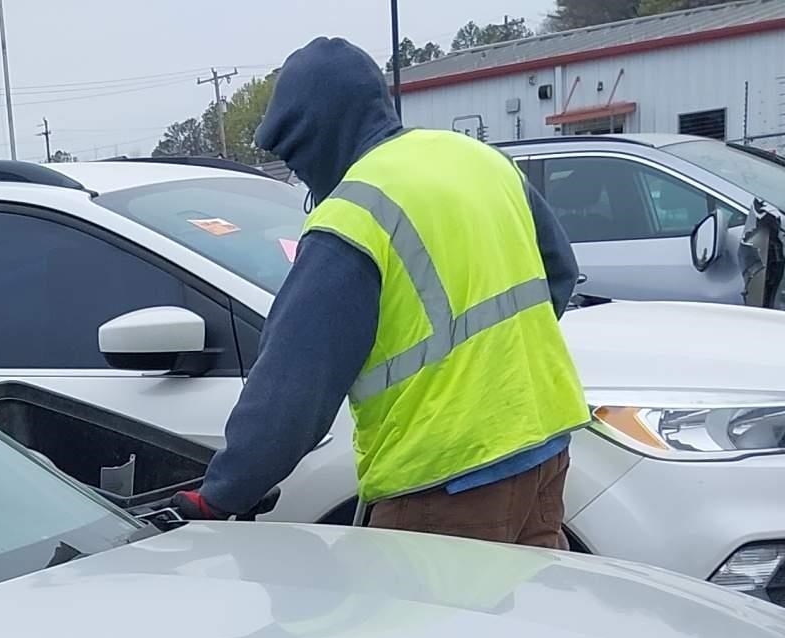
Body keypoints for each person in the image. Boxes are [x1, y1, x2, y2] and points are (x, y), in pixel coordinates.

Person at [162, 38, 587, 549]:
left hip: (445, 479)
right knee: (519, 620)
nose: (300, 177)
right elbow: (558, 273)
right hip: (543, 446)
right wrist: (496, 371)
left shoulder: (354, 212)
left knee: (423, 629)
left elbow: (294, 384)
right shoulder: (476, 159)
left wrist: (223, 493)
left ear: (318, 137)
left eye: (296, 159)